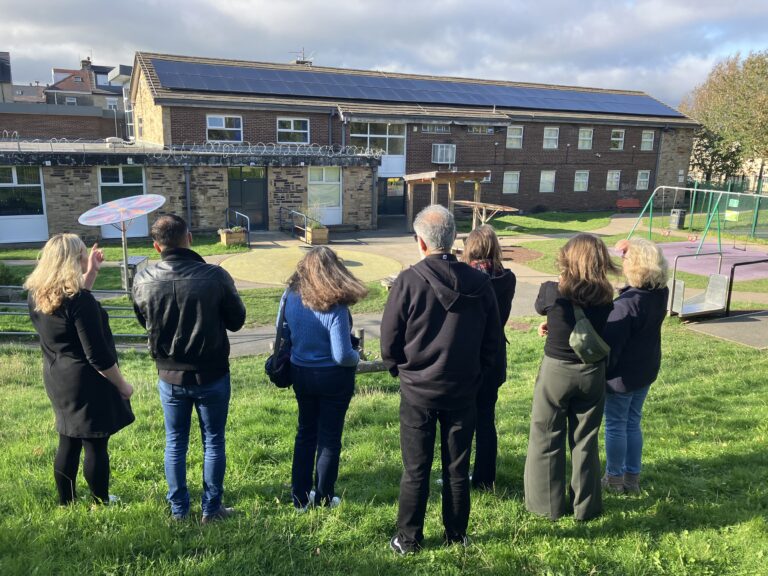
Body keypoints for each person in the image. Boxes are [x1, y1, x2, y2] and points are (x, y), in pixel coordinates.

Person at [381, 205, 501, 554]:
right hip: (460, 389)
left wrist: (401, 370)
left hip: (420, 389)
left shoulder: (407, 281)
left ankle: (409, 540)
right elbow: (493, 341)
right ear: (454, 239)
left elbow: (389, 341)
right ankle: (456, 535)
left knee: (416, 469)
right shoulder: (480, 283)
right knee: (456, 469)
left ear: (421, 242)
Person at [132, 215, 245, 523]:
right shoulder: (215, 276)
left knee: (176, 441)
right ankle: (211, 509)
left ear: (157, 246)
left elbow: (145, 322)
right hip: (211, 372)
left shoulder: (142, 279)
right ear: (190, 238)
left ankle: (179, 511)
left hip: (170, 373)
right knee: (213, 440)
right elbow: (237, 321)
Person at [25, 234, 134, 505]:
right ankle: (100, 501)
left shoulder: (38, 294)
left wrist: (92, 272)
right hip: (86, 382)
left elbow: (70, 305)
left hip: (57, 378)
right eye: (84, 253)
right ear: (74, 259)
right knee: (95, 443)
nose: (87, 256)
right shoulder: (80, 300)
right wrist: (122, 385)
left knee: (68, 439)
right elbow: (97, 356)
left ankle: (67, 502)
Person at [524, 233, 618, 521]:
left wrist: (551, 319)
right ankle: (585, 507)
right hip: (592, 371)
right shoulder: (606, 296)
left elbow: (543, 307)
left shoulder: (552, 291)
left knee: (546, 435)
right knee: (586, 439)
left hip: (557, 371)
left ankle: (546, 506)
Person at [282, 246, 368, 510]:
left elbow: (283, 331)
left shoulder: (290, 296)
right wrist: (357, 356)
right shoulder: (335, 306)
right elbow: (342, 355)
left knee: (305, 433)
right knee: (329, 438)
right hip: (333, 377)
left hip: (300, 372)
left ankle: (299, 498)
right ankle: (324, 497)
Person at [602, 238, 669, 494]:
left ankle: (614, 478)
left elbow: (611, 349)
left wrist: (602, 374)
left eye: (626, 259)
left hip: (622, 376)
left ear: (635, 267)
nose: (622, 262)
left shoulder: (625, 305)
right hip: (645, 369)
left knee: (616, 424)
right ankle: (632, 477)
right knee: (632, 422)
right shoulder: (660, 292)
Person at [461, 225, 516, 490]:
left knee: (461, 420)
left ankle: (458, 475)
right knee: (486, 418)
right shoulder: (508, 278)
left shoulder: (465, 279)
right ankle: (485, 478)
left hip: (468, 354)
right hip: (494, 354)